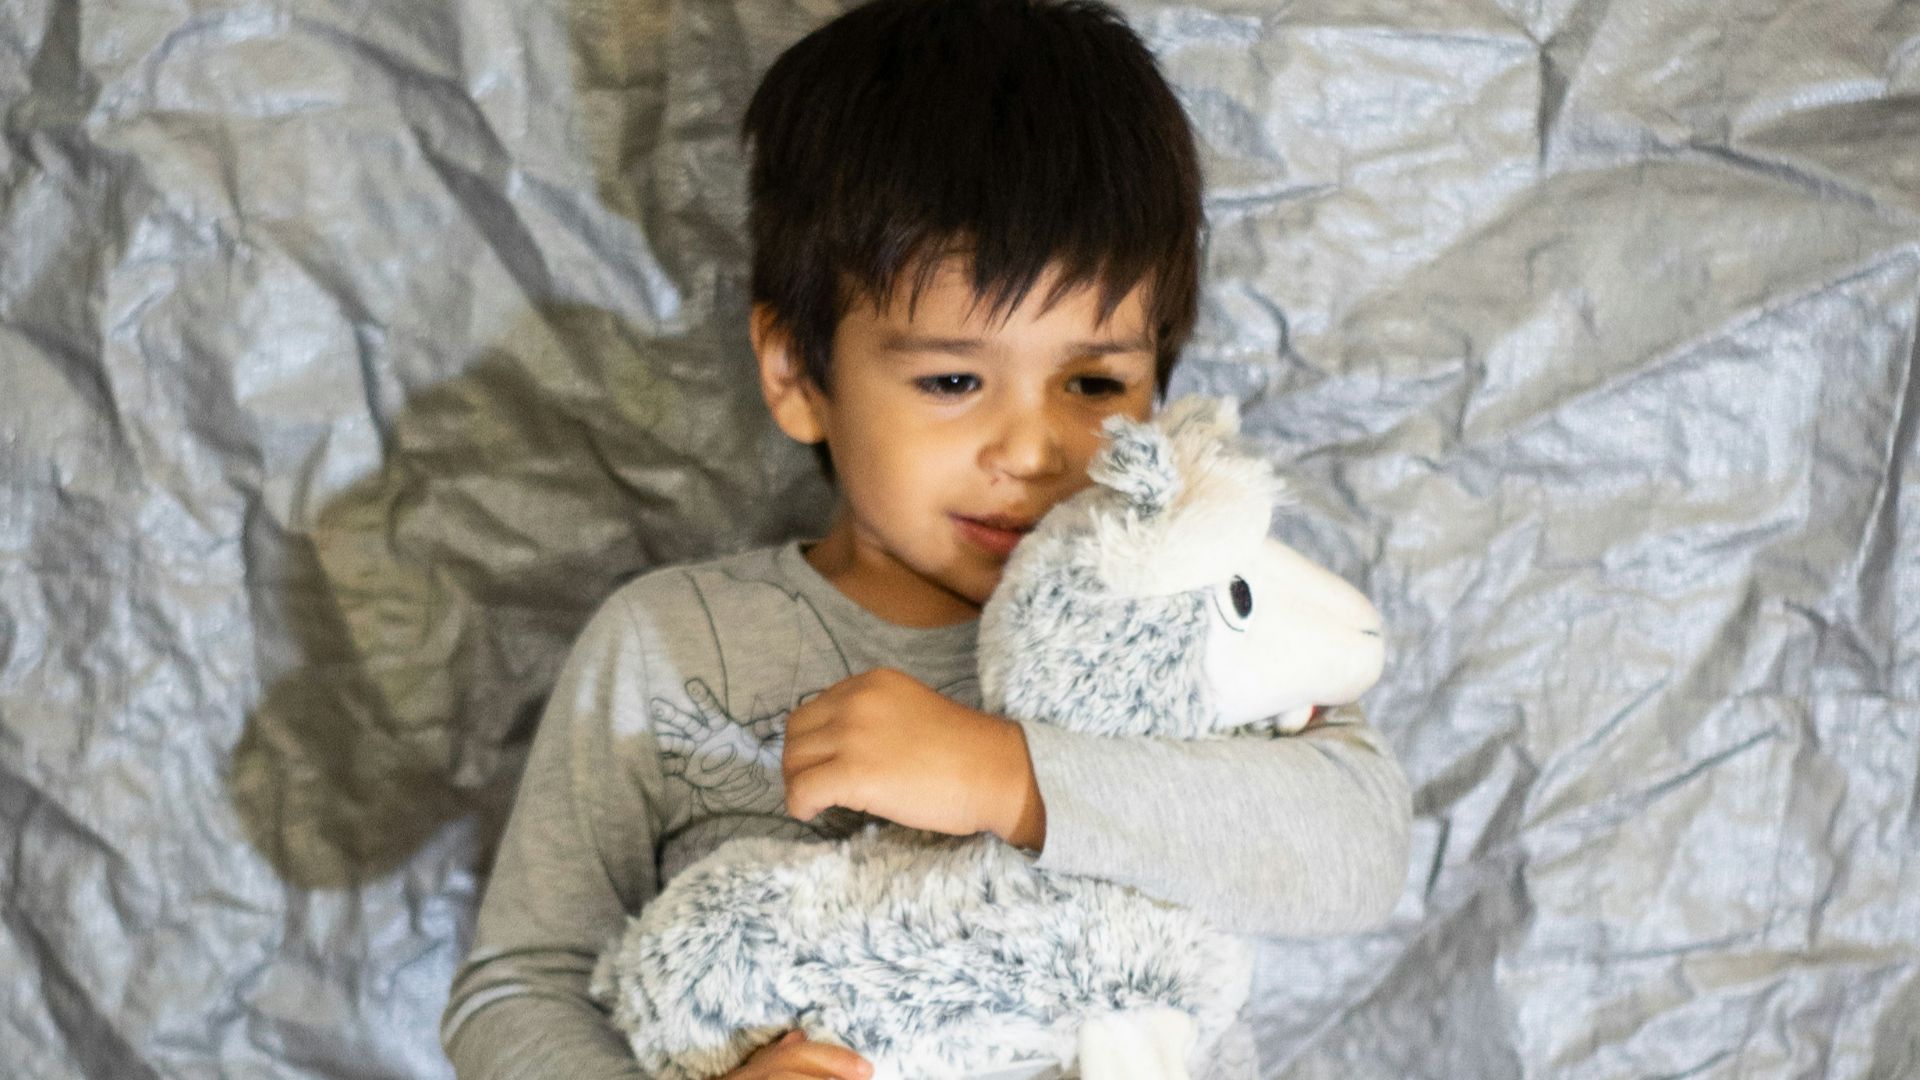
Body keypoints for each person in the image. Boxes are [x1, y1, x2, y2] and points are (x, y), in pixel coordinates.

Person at [440, 1, 1413, 1078]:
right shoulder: (675, 646)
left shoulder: (1193, 616)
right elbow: (519, 988)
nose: (1032, 449)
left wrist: (1007, 779)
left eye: (1095, 381)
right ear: (798, 376)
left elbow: (1362, 848)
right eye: (953, 380)